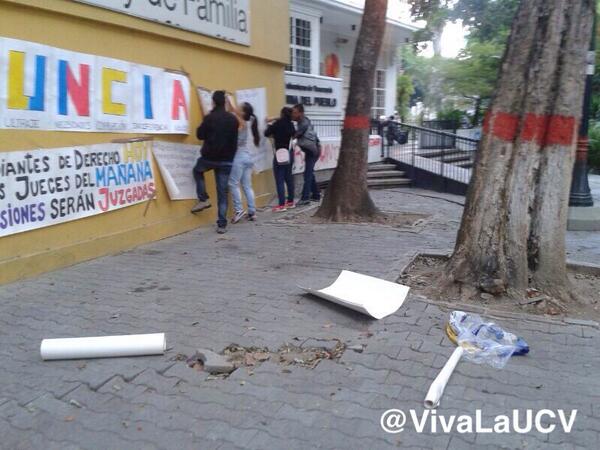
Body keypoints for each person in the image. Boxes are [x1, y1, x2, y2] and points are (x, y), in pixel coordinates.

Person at [192, 90, 239, 234]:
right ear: (225, 102)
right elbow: (234, 141)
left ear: (213, 102)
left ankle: (203, 198)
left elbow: (200, 135)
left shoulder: (210, 118)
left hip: (209, 158)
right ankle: (222, 224)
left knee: (197, 170)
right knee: (222, 193)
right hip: (226, 160)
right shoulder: (232, 119)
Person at [228, 101, 259, 223]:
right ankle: (252, 211)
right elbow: (234, 110)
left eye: (239, 108)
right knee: (247, 185)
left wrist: (228, 101)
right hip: (247, 157)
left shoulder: (240, 122)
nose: (236, 108)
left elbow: (233, 110)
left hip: (238, 157)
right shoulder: (245, 122)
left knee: (233, 184)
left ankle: (239, 210)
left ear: (243, 112)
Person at [265, 107, 296, 212]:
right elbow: (294, 135)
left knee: (279, 179)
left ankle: (281, 205)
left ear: (281, 114)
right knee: (288, 177)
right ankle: (291, 202)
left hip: (279, 154)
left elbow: (266, 133)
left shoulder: (277, 124)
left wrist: (270, 124)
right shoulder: (290, 124)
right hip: (289, 153)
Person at [292, 104, 321, 206]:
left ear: (301, 113)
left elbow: (295, 135)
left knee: (308, 174)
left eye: (295, 112)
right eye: (292, 112)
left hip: (313, 151)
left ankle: (305, 198)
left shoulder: (303, 123)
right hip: (312, 150)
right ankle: (316, 195)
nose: (293, 115)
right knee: (308, 173)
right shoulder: (303, 121)